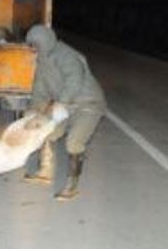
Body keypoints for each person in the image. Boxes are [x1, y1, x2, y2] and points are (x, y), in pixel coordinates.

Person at [23, 25, 106, 200]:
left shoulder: (66, 55)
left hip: (87, 105)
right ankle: (45, 171)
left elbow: (74, 79)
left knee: (74, 143)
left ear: (44, 42)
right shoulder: (43, 60)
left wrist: (61, 103)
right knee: (45, 131)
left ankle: (72, 185)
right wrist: (33, 111)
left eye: (35, 45)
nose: (32, 49)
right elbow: (40, 90)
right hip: (66, 105)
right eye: (31, 45)